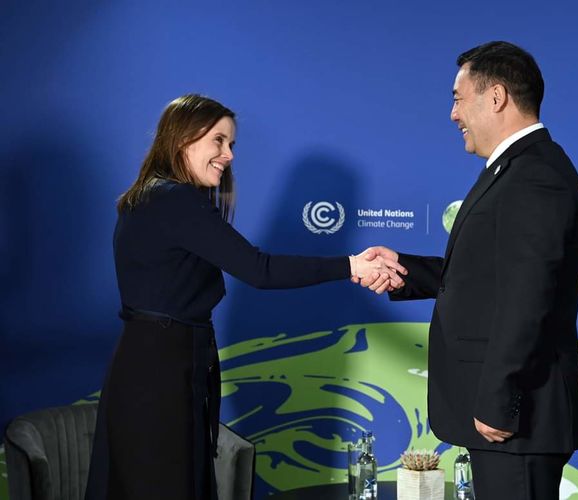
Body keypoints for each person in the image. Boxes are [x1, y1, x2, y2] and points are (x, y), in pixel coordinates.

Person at [84, 94, 405, 500]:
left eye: (231, 143)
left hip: (156, 363)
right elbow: (260, 270)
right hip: (160, 372)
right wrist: (351, 265)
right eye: (218, 141)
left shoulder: (155, 197)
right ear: (182, 139)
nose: (229, 155)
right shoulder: (174, 200)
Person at [357, 41, 578, 499]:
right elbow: (492, 274)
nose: (453, 114)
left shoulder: (534, 175)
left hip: (518, 420)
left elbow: (528, 295)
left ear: (496, 97)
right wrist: (404, 269)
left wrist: (500, 399)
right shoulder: (515, 169)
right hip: (513, 422)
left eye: (458, 99)